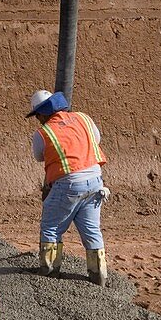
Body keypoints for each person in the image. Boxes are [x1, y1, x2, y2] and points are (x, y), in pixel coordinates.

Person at [27, 89, 109, 284]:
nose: (38, 119)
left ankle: (48, 273)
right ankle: (99, 275)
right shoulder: (83, 118)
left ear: (43, 113)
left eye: (37, 115)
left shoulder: (43, 132)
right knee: (91, 230)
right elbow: (96, 139)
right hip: (96, 181)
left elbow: (39, 156)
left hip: (69, 184)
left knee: (51, 227)